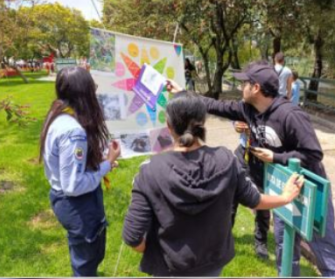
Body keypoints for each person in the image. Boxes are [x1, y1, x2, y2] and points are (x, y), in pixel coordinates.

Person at [122, 92, 303, 277]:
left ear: (169, 126)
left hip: (171, 268)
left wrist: (159, 251)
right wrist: (285, 197)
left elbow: (132, 237)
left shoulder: (150, 171)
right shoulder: (227, 160)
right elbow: (254, 200)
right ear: (202, 123)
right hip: (213, 265)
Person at [201, 61, 335, 276]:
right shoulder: (248, 109)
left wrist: (276, 157)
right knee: (284, 245)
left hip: (310, 190)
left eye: (244, 84)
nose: (241, 88)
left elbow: (313, 154)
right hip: (283, 187)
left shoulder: (290, 115)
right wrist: (181, 94)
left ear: (256, 88)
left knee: (324, 245)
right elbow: (216, 106)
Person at [39, 66, 121, 276]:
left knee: (86, 256)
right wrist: (107, 164)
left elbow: (69, 166)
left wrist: (99, 161)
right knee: (86, 260)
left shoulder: (59, 114)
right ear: (84, 93)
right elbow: (73, 185)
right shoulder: (73, 131)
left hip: (69, 201)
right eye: (92, 87)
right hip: (77, 204)